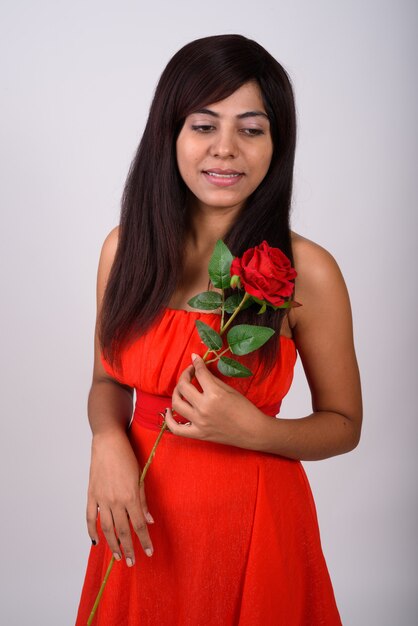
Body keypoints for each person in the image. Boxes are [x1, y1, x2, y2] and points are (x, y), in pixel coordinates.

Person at [76, 34, 362, 626]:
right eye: (204, 126)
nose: (225, 149)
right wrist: (107, 441)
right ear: (170, 135)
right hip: (137, 515)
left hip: (254, 526)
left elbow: (344, 425)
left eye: (251, 129)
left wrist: (256, 431)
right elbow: (108, 380)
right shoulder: (123, 249)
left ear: (276, 144)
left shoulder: (308, 270)